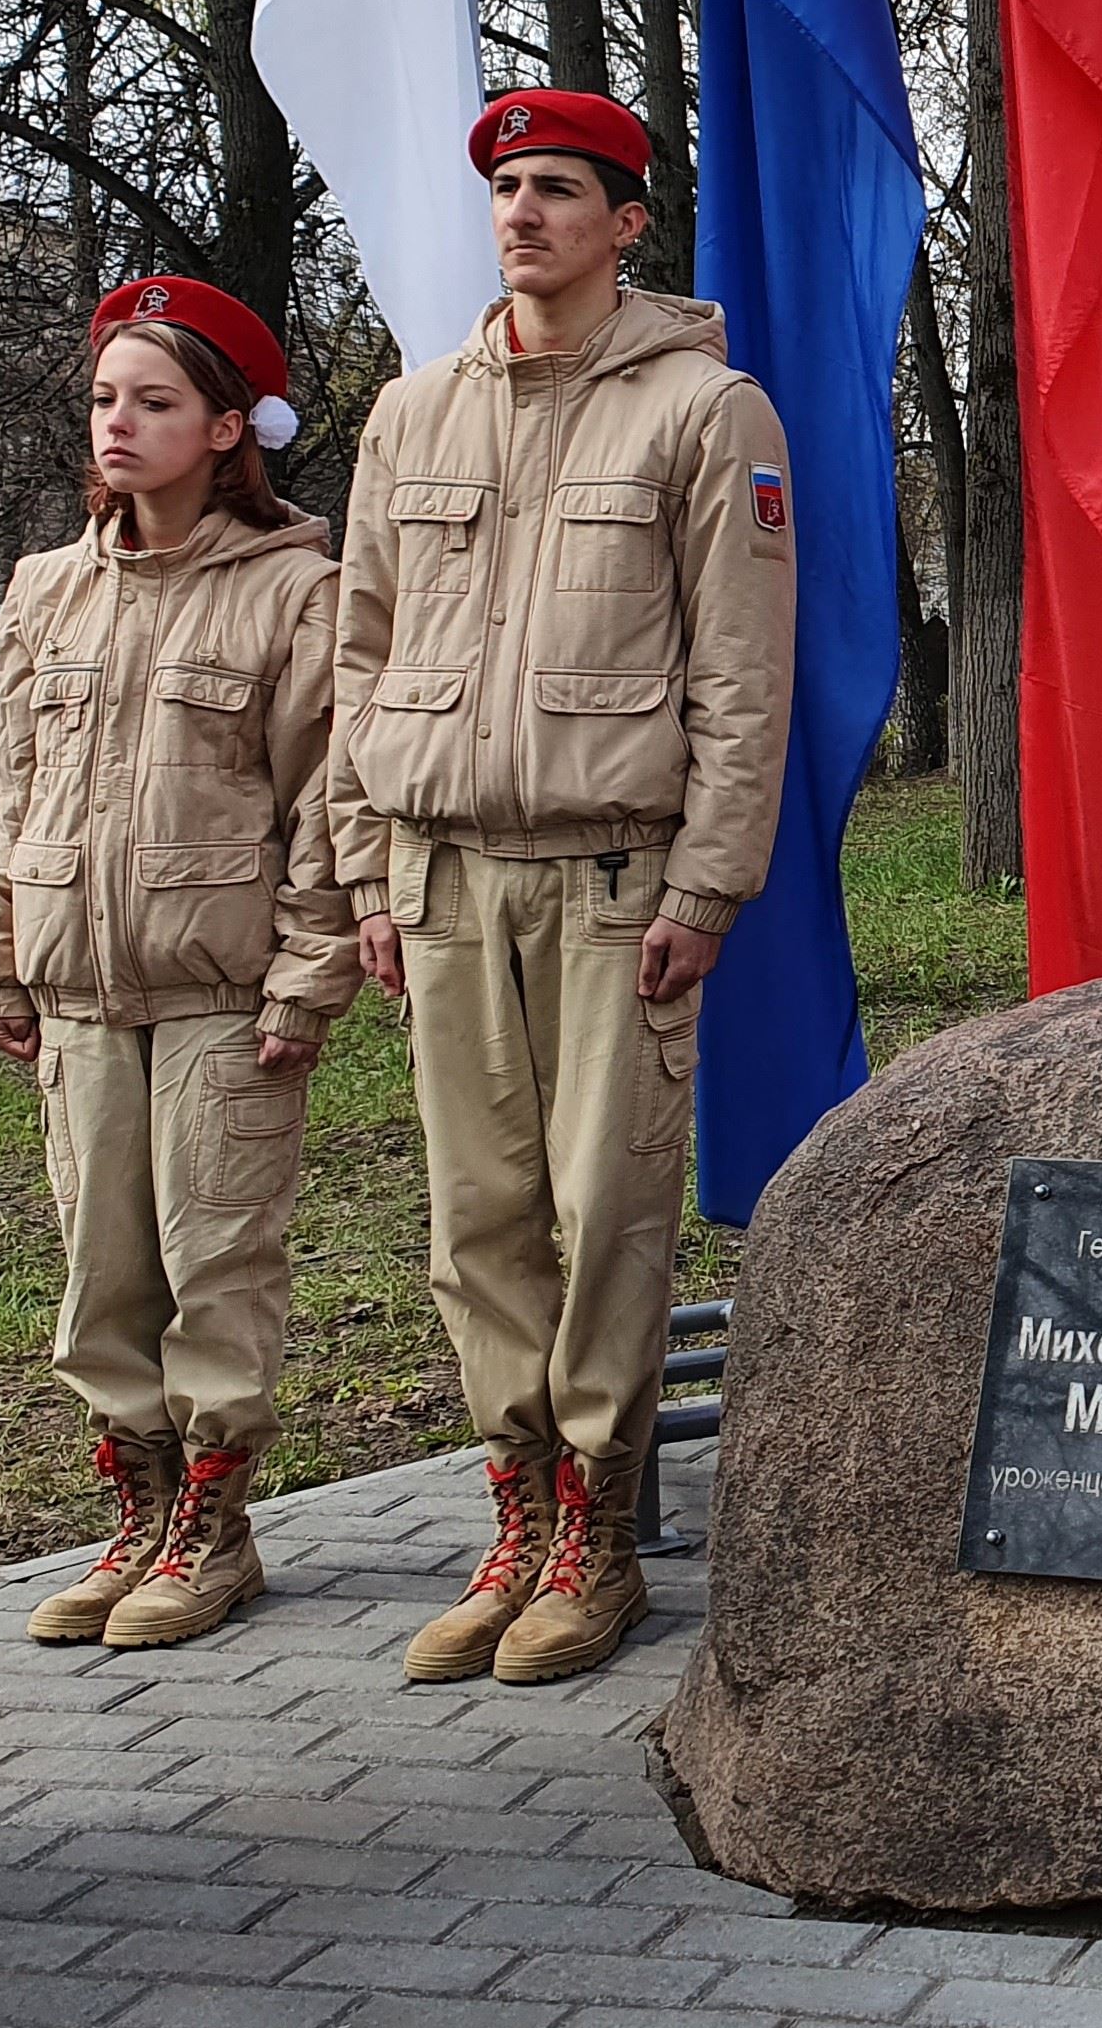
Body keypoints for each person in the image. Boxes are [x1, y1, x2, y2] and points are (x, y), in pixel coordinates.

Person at [333, 88, 794, 1686]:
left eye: (555, 190)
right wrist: (367, 872)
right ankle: (514, 1511)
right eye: (506, 188)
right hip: (446, 874)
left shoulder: (705, 411)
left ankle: (597, 1533)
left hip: (615, 883)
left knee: (607, 1213)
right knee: (482, 1221)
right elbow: (364, 659)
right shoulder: (415, 415)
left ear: (625, 223)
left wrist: (708, 887)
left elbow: (745, 678)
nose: (520, 213)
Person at [0, 277, 358, 1649]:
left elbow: (323, 807)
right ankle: (136, 1505)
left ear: (228, 427)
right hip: (76, 987)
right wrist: (1, 958)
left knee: (215, 1264)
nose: (119, 424)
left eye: (156, 402)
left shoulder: (295, 593)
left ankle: (216, 1527)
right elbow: (8, 799)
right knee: (100, 1276)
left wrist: (307, 981)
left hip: (218, 994)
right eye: (108, 398)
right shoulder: (44, 590)